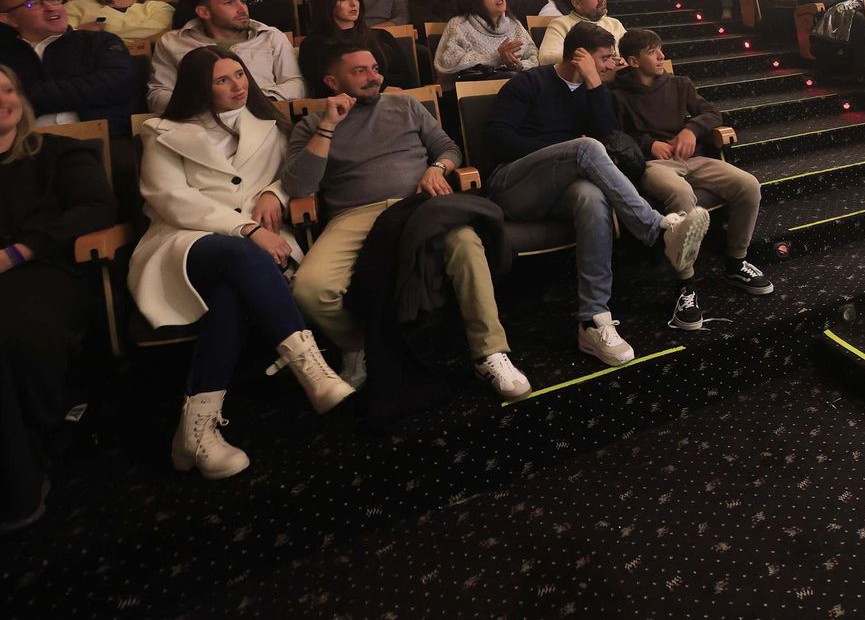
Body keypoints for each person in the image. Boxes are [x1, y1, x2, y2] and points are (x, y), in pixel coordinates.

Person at [129, 48, 352, 480]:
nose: (238, 85)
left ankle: (195, 431)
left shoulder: (267, 127)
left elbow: (288, 176)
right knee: (237, 252)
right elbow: (170, 199)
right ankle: (310, 364)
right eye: (223, 80)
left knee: (230, 294)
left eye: (239, 74)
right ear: (199, 87)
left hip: (253, 253)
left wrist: (275, 194)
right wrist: (246, 228)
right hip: (186, 242)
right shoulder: (161, 131)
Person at [285, 42, 531, 399]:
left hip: (418, 205)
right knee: (310, 288)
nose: (374, 77)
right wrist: (327, 126)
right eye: (360, 71)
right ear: (331, 81)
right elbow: (300, 185)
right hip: (353, 215)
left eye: (374, 68)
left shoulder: (405, 105)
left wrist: (437, 168)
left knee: (464, 243)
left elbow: (449, 148)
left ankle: (490, 351)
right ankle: (359, 347)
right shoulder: (311, 125)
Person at [485, 21, 711, 363]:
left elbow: (610, 137)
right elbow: (499, 140)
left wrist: (592, 84)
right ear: (580, 55)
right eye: (605, 58)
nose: (611, 66)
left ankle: (593, 320)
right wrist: (563, 153)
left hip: (560, 189)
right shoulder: (529, 82)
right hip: (514, 184)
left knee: (592, 197)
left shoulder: (596, 91)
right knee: (586, 149)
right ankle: (657, 229)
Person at [0, 68, 117, 532]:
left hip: (48, 271)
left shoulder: (58, 150)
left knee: (14, 333)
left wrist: (18, 250)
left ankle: (27, 468)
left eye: (8, 89)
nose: (4, 99)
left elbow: (97, 207)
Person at [613, 29, 771, 328]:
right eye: (652, 52)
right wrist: (648, 143)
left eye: (661, 49)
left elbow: (712, 112)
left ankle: (736, 261)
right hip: (654, 164)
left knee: (748, 185)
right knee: (682, 195)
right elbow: (613, 134)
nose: (661, 57)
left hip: (692, 158)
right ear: (633, 61)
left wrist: (692, 129)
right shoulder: (618, 95)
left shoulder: (679, 84)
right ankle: (684, 283)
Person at [149, 0, 304, 112]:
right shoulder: (173, 42)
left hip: (264, 115)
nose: (242, 9)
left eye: (243, 1)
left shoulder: (271, 36)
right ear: (204, 12)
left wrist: (251, 101)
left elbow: (296, 85)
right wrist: (210, 104)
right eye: (229, 3)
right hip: (200, 124)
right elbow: (158, 96)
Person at [0, 0, 141, 130]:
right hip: (23, 143)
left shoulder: (100, 41)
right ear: (9, 19)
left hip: (101, 137)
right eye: (33, 3)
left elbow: (118, 83)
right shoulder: (5, 55)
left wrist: (26, 96)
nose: (50, 7)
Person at [297, 0, 413, 97]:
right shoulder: (313, 45)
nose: (353, 4)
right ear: (327, 3)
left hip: (387, 103)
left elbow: (406, 79)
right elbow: (321, 87)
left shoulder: (381, 36)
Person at [433, 0, 538, 80]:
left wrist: (519, 65)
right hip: (473, 89)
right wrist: (495, 57)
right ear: (473, 0)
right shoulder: (459, 24)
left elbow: (534, 56)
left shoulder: (514, 24)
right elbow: (448, 61)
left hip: (517, 83)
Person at [537, 0, 625, 65]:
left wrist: (625, 58)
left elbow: (632, 50)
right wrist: (592, 59)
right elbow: (546, 58)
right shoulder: (561, 24)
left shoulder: (614, 24)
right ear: (576, 3)